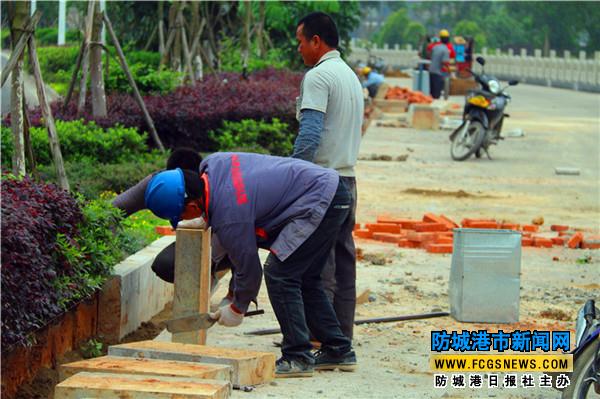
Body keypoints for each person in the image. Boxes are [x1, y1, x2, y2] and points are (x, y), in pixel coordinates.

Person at [144, 152, 357, 377]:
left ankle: (298, 356)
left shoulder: (230, 216)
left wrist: (238, 308)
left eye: (181, 214)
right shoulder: (213, 164)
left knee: (280, 274)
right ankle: (338, 349)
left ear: (194, 205)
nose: (183, 219)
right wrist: (208, 218)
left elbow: (249, 268)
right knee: (305, 276)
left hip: (320, 199)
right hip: (332, 191)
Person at [292, 12, 363, 341]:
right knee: (344, 262)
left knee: (319, 264)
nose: (299, 50)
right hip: (348, 179)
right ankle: (341, 337)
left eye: (301, 42)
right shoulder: (349, 76)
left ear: (316, 42)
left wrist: (290, 176)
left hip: (322, 182)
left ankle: (322, 338)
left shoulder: (318, 77)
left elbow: (309, 135)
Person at [429, 29, 454, 99]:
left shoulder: (435, 47)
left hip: (431, 72)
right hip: (437, 74)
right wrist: (450, 71)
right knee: (436, 95)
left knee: (431, 94)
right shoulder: (445, 49)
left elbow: (430, 56)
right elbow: (445, 63)